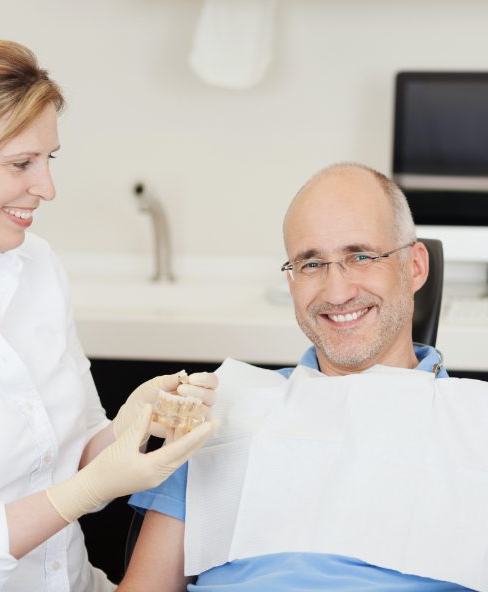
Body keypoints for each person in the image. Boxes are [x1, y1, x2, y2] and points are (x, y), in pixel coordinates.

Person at [0, 40, 218, 592]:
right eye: (21, 164)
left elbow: (69, 452)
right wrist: (90, 489)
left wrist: (131, 423)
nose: (46, 188)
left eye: (47, 159)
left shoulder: (34, 268)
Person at [120, 163, 488, 592]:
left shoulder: (474, 425)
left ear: (415, 267)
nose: (336, 292)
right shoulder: (222, 413)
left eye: (361, 256)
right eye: (311, 264)